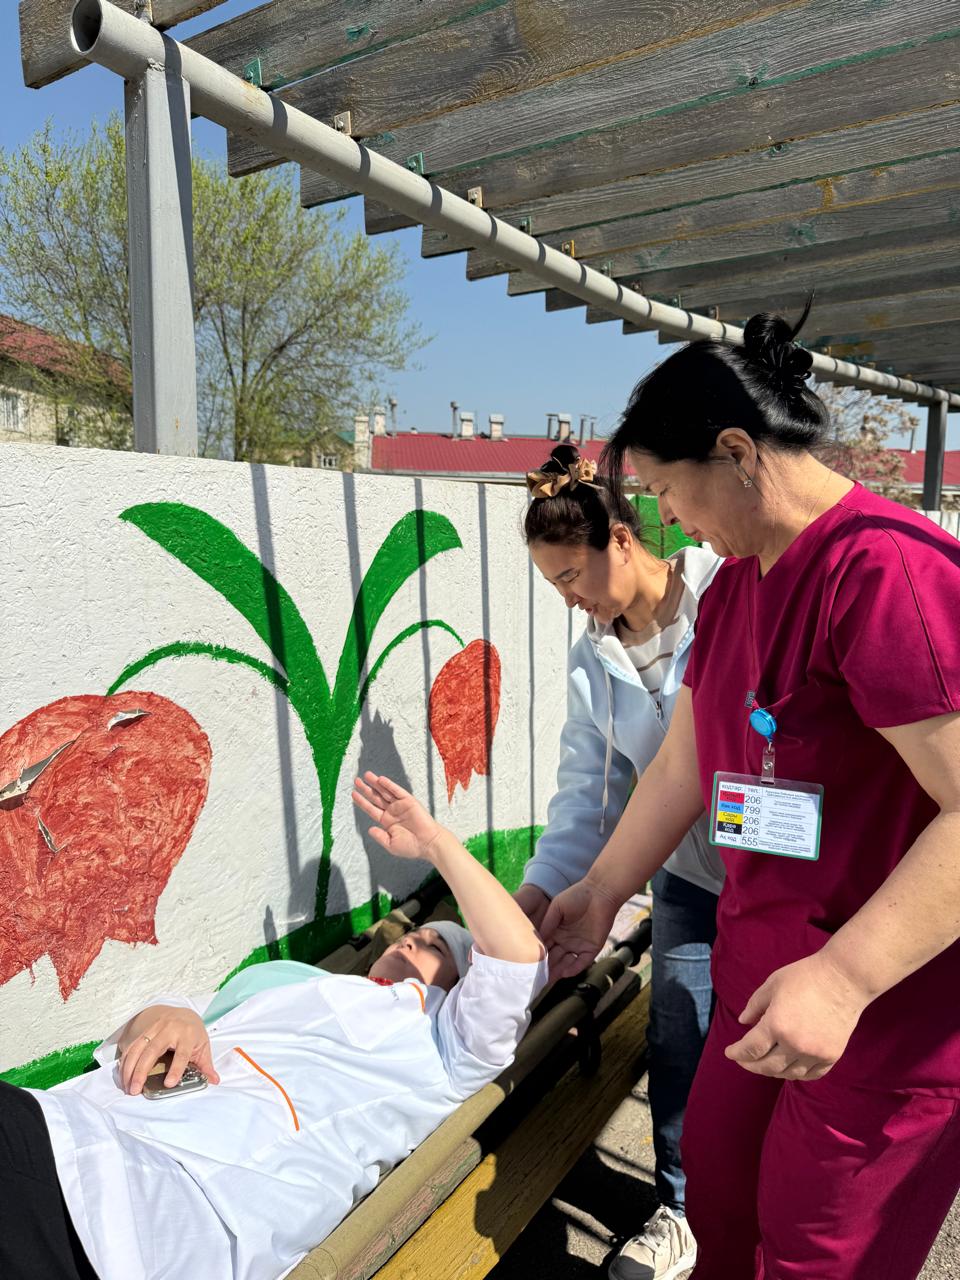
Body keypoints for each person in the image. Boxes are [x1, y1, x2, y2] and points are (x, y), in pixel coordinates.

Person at [542, 311, 960, 1280]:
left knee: (820, 1254)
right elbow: (682, 768)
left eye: (666, 490)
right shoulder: (734, 588)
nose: (670, 521)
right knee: (722, 1207)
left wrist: (846, 976)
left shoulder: (889, 572)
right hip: (760, 980)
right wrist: (600, 891)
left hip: (879, 1015)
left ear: (735, 453)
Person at [1, 773, 546, 1280]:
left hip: (190, 1198)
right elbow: (173, 1015)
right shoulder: (286, 982)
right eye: (413, 934)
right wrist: (170, 1015)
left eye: (435, 947)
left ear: (461, 989)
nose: (412, 940)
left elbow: (516, 956)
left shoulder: (446, 1049)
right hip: (88, 1126)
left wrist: (434, 845)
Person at [516, 442, 724, 1280]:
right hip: (686, 878)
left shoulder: (724, 596)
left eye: (572, 575)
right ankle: (681, 1209)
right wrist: (539, 891)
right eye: (555, 585)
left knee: (768, 1039)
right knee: (682, 1036)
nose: (570, 600)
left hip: (780, 875)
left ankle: (758, 1203)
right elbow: (588, 797)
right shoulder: (591, 660)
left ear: (624, 540)